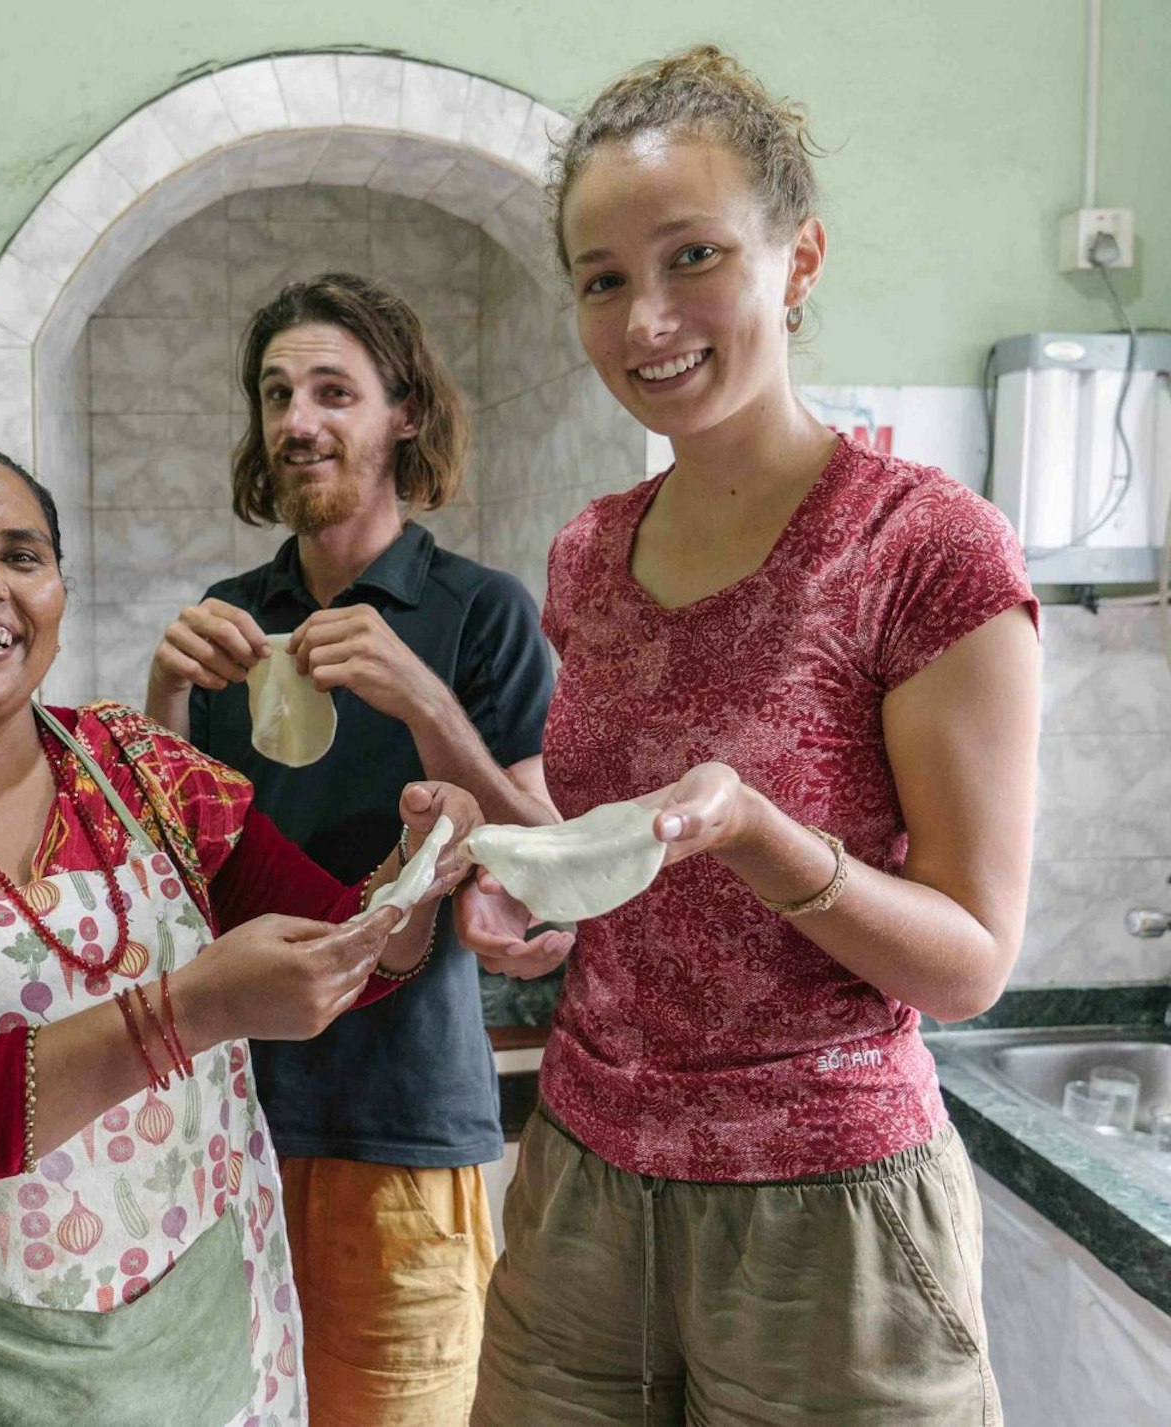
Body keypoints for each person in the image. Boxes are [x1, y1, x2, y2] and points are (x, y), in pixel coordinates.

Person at [458, 47, 1039, 1426]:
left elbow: (970, 962)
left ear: (798, 258)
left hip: (827, 1222)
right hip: (583, 1194)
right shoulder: (589, 552)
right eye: (602, 278)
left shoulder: (922, 548)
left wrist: (771, 841)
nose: (646, 316)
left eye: (694, 255)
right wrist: (521, 886)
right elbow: (625, 872)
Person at [0, 438, 483, 1427]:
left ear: (57, 601)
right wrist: (186, 1010)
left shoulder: (144, 769)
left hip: (197, 1341)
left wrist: (413, 876)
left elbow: (347, 955)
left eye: (21, 555)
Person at [145, 274, 563, 1426]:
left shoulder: (480, 614)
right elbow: (162, 881)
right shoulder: (229, 617)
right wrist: (164, 699)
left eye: (334, 390)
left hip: (406, 1129)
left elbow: (545, 864)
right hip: (227, 1128)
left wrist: (424, 696)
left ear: (405, 413)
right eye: (278, 393)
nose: (297, 419)